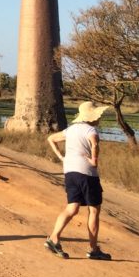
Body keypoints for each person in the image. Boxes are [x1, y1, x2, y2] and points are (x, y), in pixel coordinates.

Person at [44, 101, 112, 261]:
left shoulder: (71, 129)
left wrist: (61, 157)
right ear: (92, 116)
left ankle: (53, 238)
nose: (99, 118)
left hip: (70, 172)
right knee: (94, 210)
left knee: (72, 208)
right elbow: (94, 143)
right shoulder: (91, 129)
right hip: (87, 174)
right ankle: (93, 249)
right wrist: (94, 160)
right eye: (98, 115)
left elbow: (51, 138)